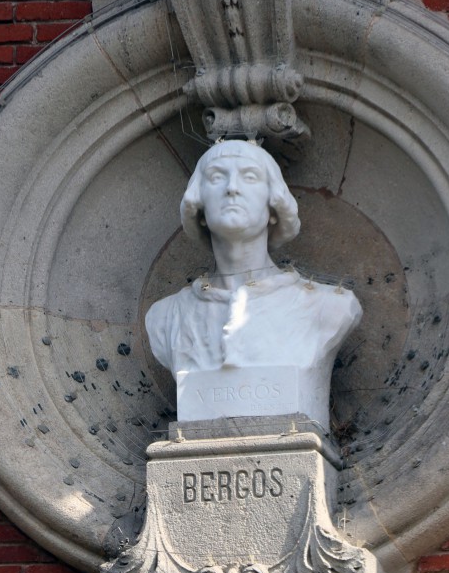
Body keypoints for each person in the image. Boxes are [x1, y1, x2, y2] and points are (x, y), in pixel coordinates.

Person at [145, 140, 362, 428]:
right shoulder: (165, 317)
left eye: (249, 176)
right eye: (217, 177)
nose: (232, 188)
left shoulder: (330, 307)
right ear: (199, 206)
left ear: (274, 205)